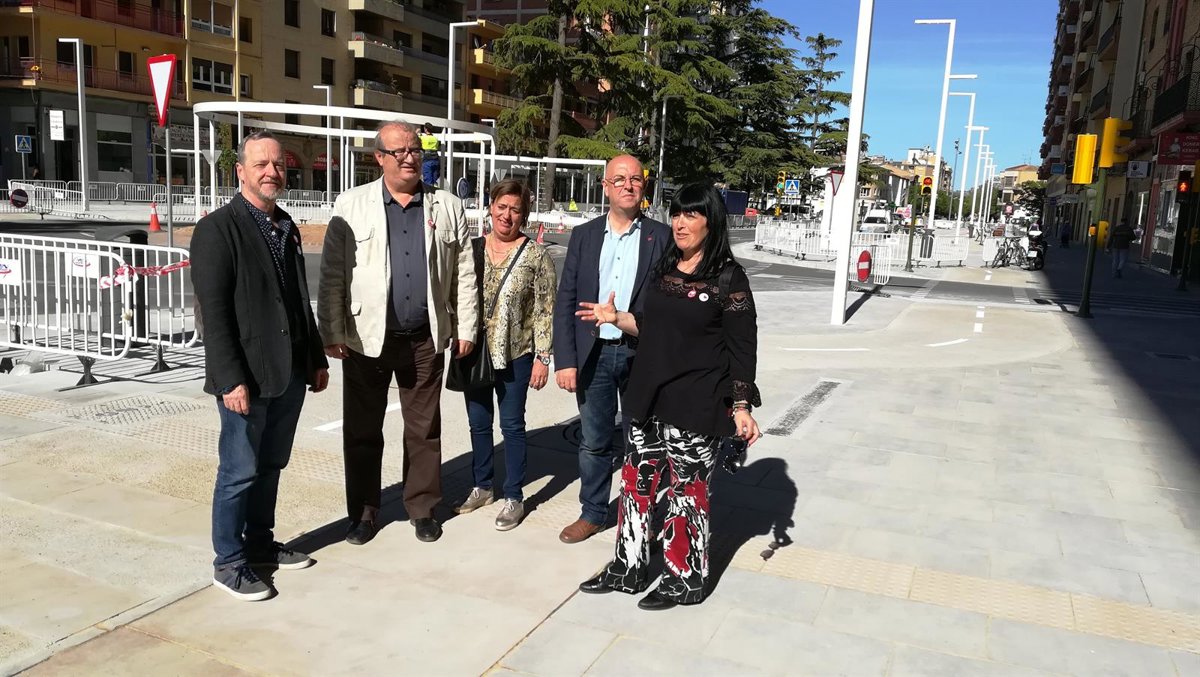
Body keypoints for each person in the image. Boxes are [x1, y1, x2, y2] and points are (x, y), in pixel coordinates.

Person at [574, 182, 762, 610]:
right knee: (636, 485)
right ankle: (628, 567)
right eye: (676, 213)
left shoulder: (729, 278)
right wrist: (617, 318)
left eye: (691, 214)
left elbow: (742, 349)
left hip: (697, 400)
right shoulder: (666, 266)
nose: (679, 223)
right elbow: (650, 326)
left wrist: (741, 406)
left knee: (686, 493)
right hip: (649, 394)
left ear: (711, 222)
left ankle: (684, 578)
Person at [319, 120, 478, 545]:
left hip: (425, 337)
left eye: (415, 150)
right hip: (366, 337)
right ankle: (363, 514)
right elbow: (333, 273)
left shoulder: (447, 207)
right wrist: (331, 329)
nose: (410, 158)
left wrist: (465, 326)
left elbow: (464, 273)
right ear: (379, 158)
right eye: (399, 151)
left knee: (423, 429)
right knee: (362, 430)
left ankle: (422, 508)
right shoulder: (351, 204)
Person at [191, 131, 330, 601]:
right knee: (239, 472)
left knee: (271, 465)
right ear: (241, 172)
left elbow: (299, 302)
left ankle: (260, 545)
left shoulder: (284, 226)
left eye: (278, 164)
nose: (272, 171)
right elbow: (214, 314)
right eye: (261, 164)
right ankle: (229, 562)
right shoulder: (218, 230)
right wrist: (229, 378)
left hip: (288, 372)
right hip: (246, 377)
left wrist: (314, 358)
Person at [552, 154, 672, 545]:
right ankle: (593, 512)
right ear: (605, 187)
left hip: (641, 354)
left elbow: (669, 303)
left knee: (643, 441)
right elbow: (566, 298)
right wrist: (565, 360)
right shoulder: (585, 236)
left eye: (636, 179)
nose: (628, 185)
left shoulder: (661, 237)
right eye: (619, 179)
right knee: (594, 441)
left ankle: (641, 513)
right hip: (594, 355)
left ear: (644, 186)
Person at [455, 179, 557, 530]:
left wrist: (543, 357)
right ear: (490, 208)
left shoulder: (536, 255)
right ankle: (483, 486)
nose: (507, 215)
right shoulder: (471, 250)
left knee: (512, 425)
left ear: (523, 215)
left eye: (515, 209)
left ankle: (514, 495)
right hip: (474, 351)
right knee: (478, 422)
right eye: (502, 207)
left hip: (517, 353)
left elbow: (545, 309)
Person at [420, 123, 440, 187]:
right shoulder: (435, 138)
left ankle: (429, 192)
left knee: (428, 181)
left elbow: (417, 140)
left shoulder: (423, 138)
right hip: (436, 159)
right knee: (435, 180)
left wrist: (418, 133)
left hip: (427, 159)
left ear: (425, 129)